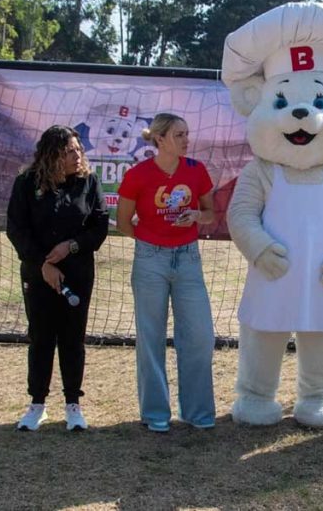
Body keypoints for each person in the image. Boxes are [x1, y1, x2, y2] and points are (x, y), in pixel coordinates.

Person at [116, 113, 216, 432]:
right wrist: (152, 242)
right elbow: (122, 222)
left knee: (200, 335)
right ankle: (156, 414)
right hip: (150, 260)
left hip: (188, 259)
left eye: (187, 134)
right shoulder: (138, 175)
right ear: (159, 139)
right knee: (151, 338)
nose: (186, 140)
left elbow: (211, 213)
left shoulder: (196, 170)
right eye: (178, 135)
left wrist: (197, 215)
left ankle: (198, 413)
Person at [6, 125, 109, 431]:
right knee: (41, 337)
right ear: (51, 155)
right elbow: (17, 229)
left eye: (79, 150)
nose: (77, 156)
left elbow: (99, 226)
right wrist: (43, 264)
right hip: (38, 273)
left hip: (78, 272)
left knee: (72, 338)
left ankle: (73, 405)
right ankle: (37, 404)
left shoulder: (89, 183)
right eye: (68, 152)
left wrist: (71, 246)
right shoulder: (26, 183)